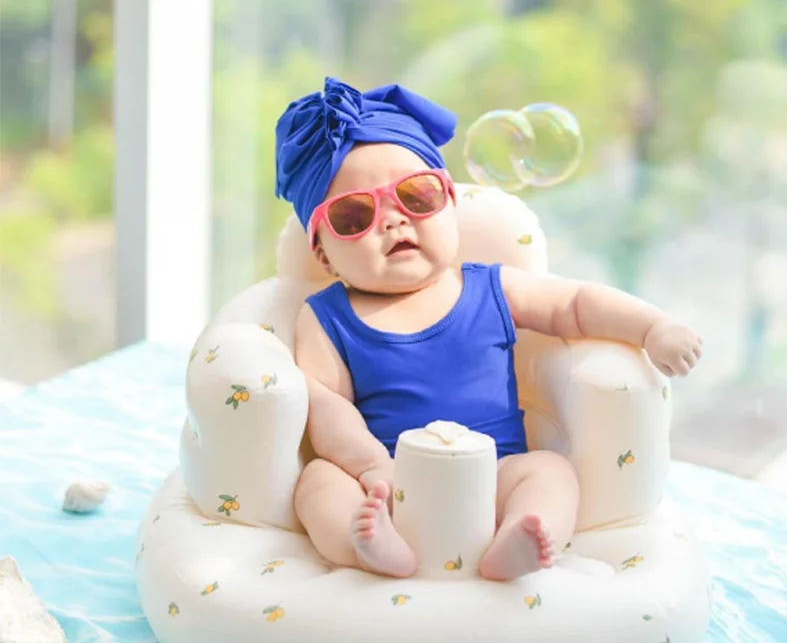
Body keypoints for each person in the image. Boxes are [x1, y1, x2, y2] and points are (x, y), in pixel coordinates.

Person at [275, 77, 702, 581]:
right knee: (318, 483)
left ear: (451, 202)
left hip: (494, 473)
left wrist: (652, 328)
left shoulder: (491, 287)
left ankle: (523, 532)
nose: (393, 223)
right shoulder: (326, 316)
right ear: (322, 252)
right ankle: (362, 543)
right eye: (354, 215)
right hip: (390, 484)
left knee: (549, 471)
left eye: (416, 195)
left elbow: (577, 303)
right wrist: (372, 470)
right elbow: (325, 406)